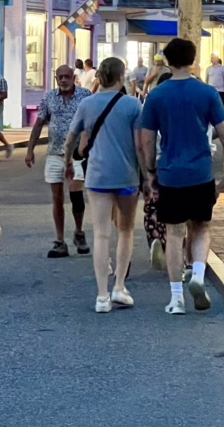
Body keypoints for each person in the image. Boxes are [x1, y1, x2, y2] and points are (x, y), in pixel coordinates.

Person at [140, 37, 224, 315]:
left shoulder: (157, 96)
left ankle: (176, 297)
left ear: (167, 60)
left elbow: (147, 140)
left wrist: (150, 171)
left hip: (170, 173)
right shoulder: (207, 93)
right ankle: (198, 273)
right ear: (193, 59)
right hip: (200, 173)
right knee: (201, 227)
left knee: (175, 234)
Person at [64, 58, 145, 313]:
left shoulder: (87, 104)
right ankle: (119, 286)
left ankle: (101, 296)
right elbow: (140, 145)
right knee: (126, 230)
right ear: (122, 76)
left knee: (100, 234)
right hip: (127, 175)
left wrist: (68, 162)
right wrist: (149, 174)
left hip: (97, 175)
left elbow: (71, 139)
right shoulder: (133, 105)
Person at [25, 65, 91, 258]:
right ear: (56, 79)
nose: (63, 80)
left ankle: (79, 232)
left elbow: (91, 124)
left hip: (78, 154)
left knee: (76, 193)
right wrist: (30, 150)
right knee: (57, 198)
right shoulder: (49, 97)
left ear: (73, 78)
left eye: (67, 77)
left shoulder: (85, 96)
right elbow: (39, 123)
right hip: (55, 153)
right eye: (60, 77)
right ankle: (60, 240)